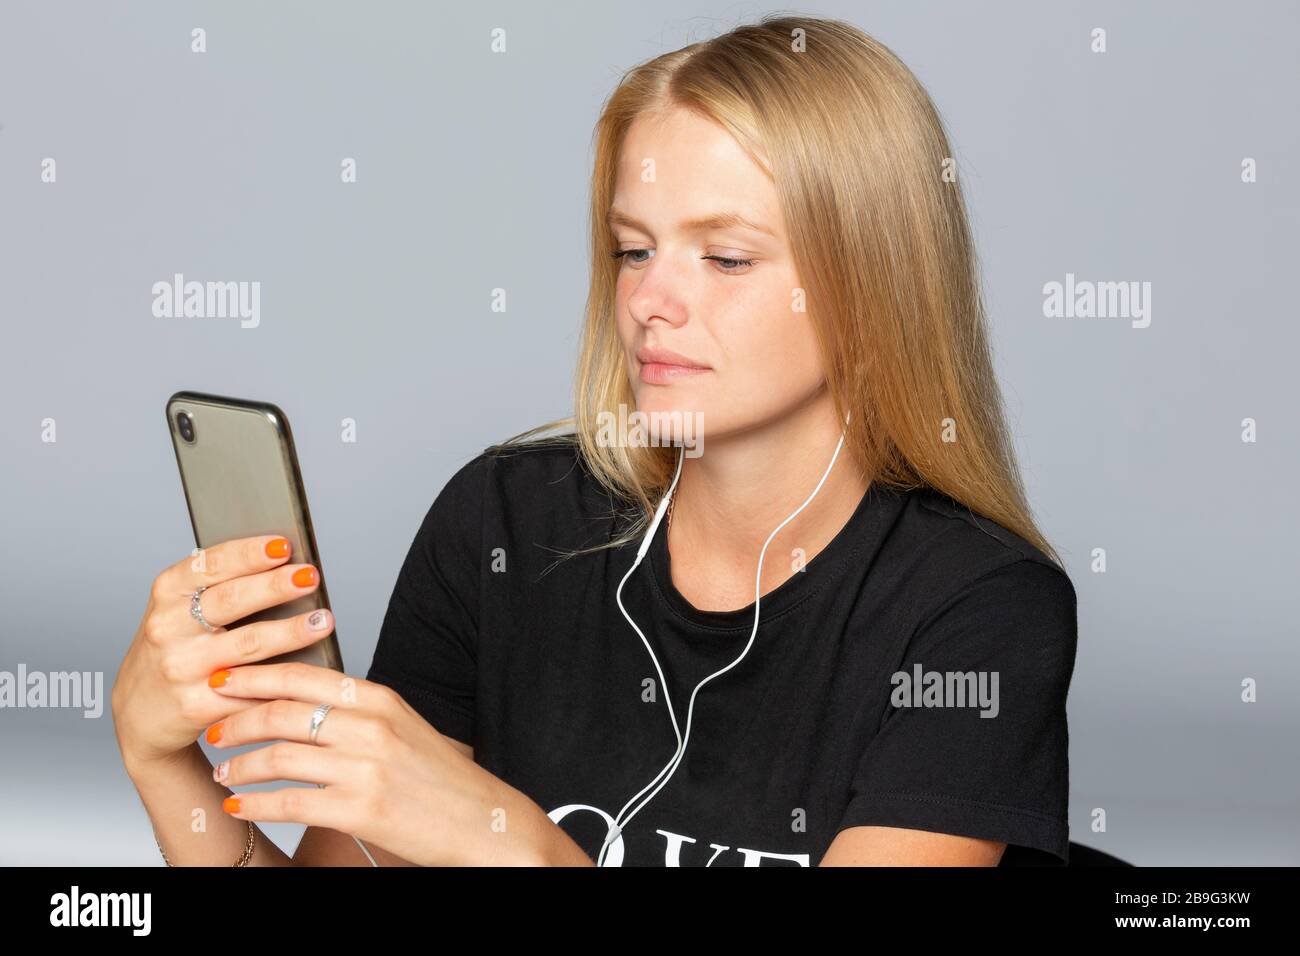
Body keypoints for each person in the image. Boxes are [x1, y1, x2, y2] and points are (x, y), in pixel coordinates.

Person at [112, 14, 1078, 867]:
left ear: (871, 287)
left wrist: (517, 844)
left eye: (726, 257)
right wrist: (163, 764)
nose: (651, 302)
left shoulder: (982, 611)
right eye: (633, 249)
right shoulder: (500, 525)